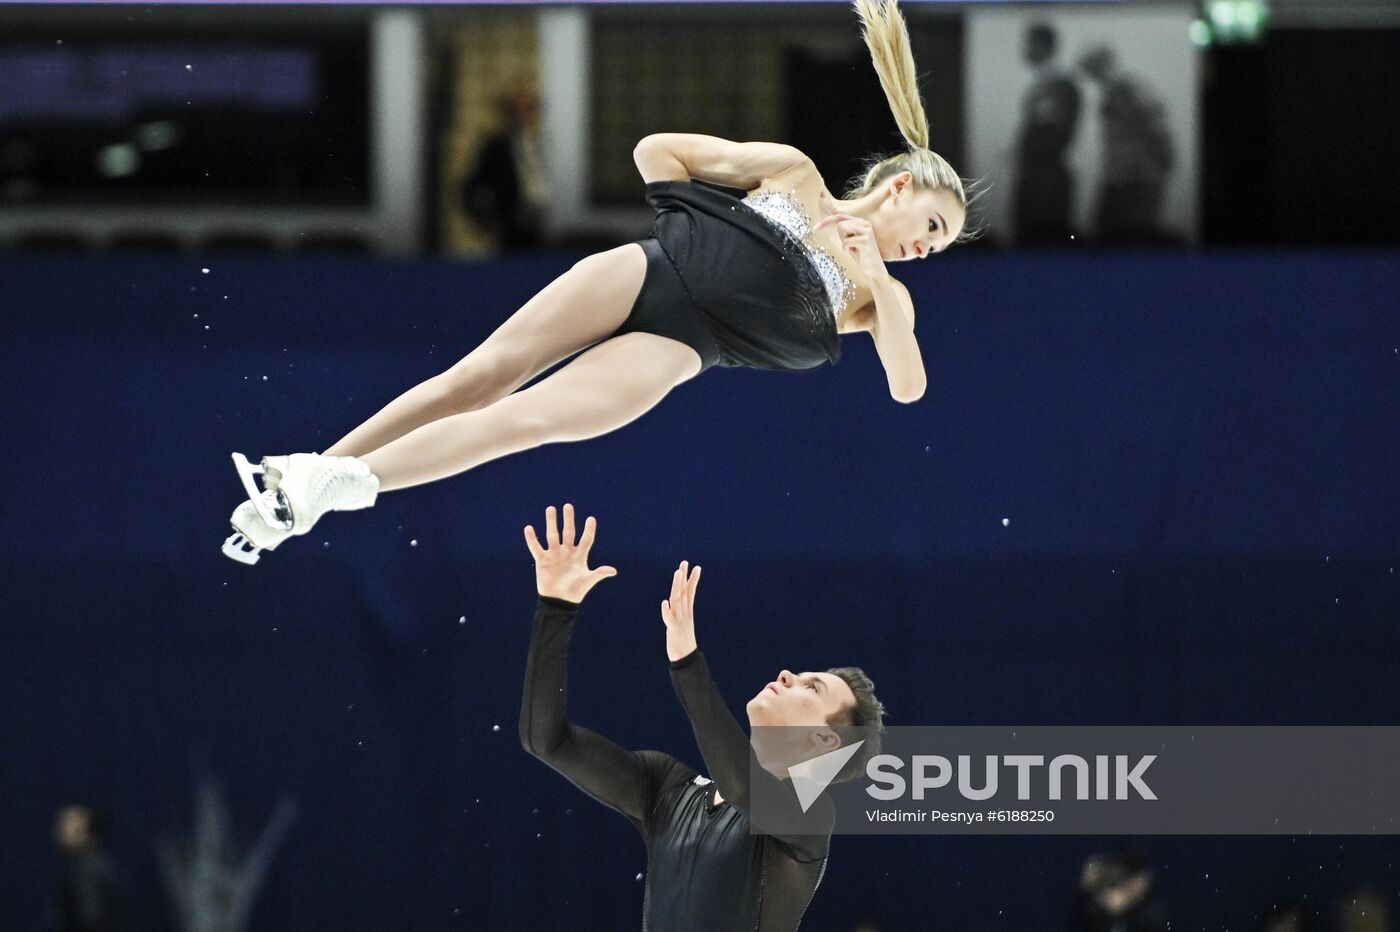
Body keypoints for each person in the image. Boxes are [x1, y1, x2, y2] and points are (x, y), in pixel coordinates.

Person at [221, 0, 970, 564]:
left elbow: (909, 387)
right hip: (644, 269)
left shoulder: (882, 298)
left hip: (682, 345)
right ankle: (306, 482)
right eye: (931, 227)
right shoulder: (791, 172)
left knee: (520, 421)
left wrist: (869, 265)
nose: (926, 250)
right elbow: (657, 152)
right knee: (478, 377)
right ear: (899, 188)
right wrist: (691, 220)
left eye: (938, 248)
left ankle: (343, 484)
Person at [518, 504, 886, 930]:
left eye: (812, 687)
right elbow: (546, 740)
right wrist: (556, 608)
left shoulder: (811, 818)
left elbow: (743, 787)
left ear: (824, 741)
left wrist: (687, 664)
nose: (788, 674)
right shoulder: (666, 789)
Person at [1076, 46, 1175, 246]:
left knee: (1131, 235)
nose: (1092, 75)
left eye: (1094, 68)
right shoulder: (1113, 92)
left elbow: (1155, 122)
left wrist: (1159, 161)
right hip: (1121, 175)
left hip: (1137, 177)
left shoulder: (1128, 88)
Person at [1012, 22, 1082, 247]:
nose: (1025, 50)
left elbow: (1059, 136)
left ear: (1044, 46)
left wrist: (1027, 150)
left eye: (1030, 44)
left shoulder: (1061, 87)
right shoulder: (1040, 87)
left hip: (1047, 183)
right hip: (1032, 179)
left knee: (1045, 243)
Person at [459, 82, 548, 251]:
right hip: (512, 227)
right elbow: (470, 187)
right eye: (517, 109)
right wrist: (484, 221)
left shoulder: (546, 143)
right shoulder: (496, 146)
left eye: (528, 108)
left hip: (547, 225)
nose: (523, 114)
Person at [49, 804, 121, 932]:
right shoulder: (86, 868)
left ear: (88, 829)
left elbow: (92, 921)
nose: (60, 828)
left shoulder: (88, 872)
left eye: (69, 821)